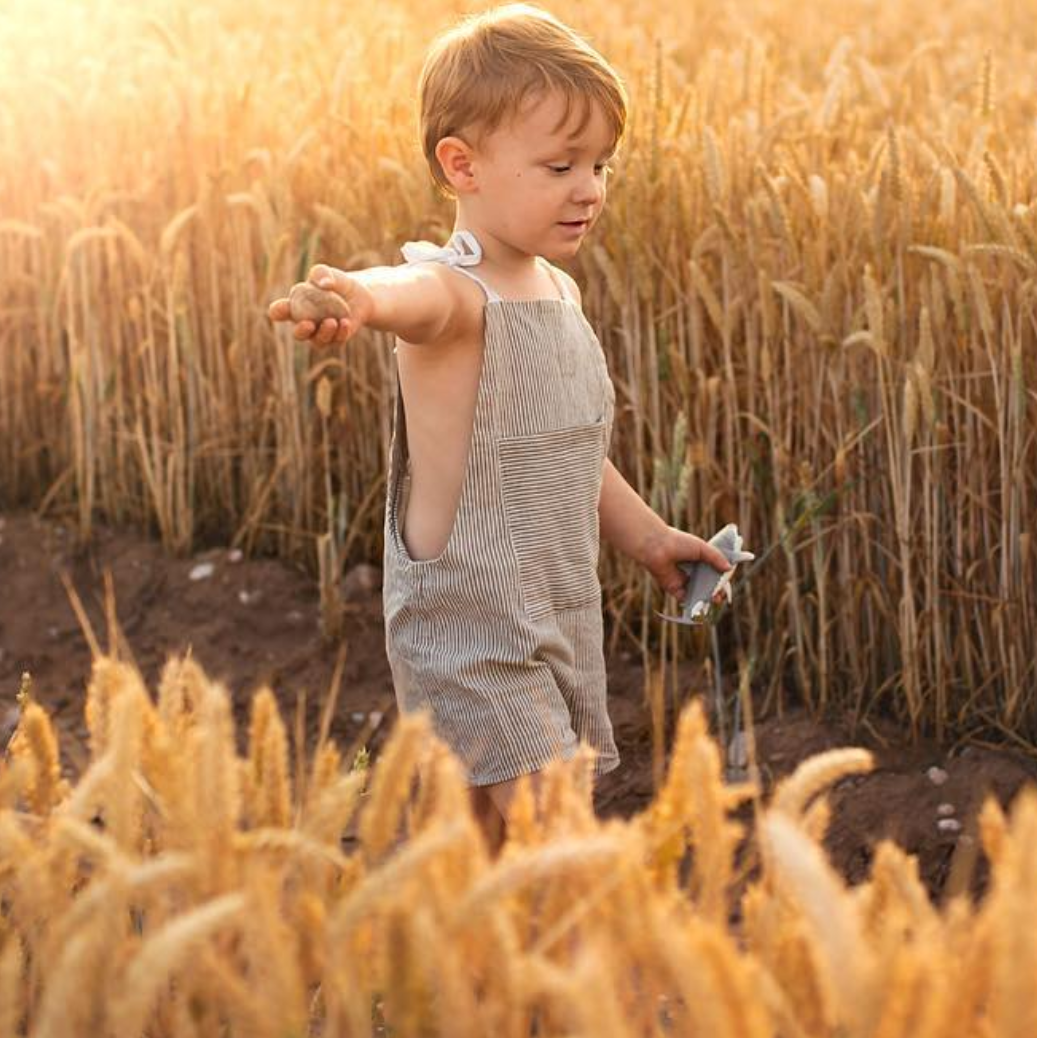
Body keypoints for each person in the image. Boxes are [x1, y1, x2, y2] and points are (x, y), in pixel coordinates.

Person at [268, 3, 730, 855]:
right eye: (560, 164)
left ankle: (439, 975)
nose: (588, 186)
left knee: (472, 844)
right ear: (462, 165)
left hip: (555, 609)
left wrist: (651, 537)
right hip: (468, 629)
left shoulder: (557, 293)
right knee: (558, 836)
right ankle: (592, 979)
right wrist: (357, 300)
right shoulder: (451, 292)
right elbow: (399, 293)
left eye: (601, 164)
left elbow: (562, 450)